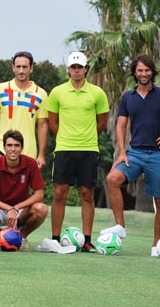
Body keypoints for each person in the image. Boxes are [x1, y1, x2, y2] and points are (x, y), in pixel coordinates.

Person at [100, 55, 160, 257]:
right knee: (112, 179)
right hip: (134, 153)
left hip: (159, 155)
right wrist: (122, 152)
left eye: (147, 70)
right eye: (140, 70)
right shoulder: (128, 97)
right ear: (134, 73)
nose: (143, 74)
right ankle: (120, 226)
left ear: (153, 72)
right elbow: (121, 125)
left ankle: (156, 245)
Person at [46, 51, 109, 252]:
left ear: (86, 69)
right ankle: (55, 238)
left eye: (80, 67)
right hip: (64, 148)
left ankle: (87, 239)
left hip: (89, 149)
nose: (76, 70)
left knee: (87, 194)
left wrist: (86, 136)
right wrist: (66, 136)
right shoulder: (57, 92)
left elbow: (102, 122)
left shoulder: (97, 93)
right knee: (59, 193)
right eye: (73, 67)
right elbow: (52, 121)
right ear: (68, 70)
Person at [0, 51, 49, 176]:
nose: (21, 70)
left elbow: (42, 125)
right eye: (18, 67)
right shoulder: (1, 89)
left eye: (25, 67)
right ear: (13, 67)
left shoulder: (41, 94)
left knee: (20, 191)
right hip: (1, 145)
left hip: (27, 149)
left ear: (31, 68)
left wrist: (41, 155)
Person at [0, 130, 48, 251]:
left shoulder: (31, 163)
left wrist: (16, 208)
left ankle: (21, 238)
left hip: (20, 210)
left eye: (17, 145)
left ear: (22, 148)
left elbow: (39, 194)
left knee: (41, 208)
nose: (13, 149)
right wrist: (8, 208)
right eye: (9, 145)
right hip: (0, 210)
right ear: (4, 148)